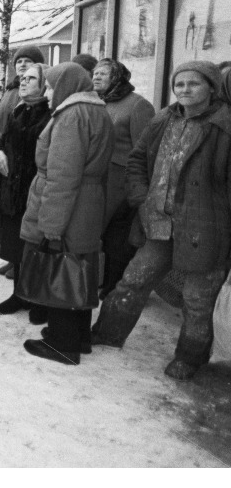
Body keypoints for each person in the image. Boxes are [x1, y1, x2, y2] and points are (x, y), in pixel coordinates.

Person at [92, 61, 231, 380]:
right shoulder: (164, 119)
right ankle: (107, 332)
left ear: (211, 87)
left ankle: (190, 357)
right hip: (159, 222)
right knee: (134, 279)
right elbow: (137, 158)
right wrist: (140, 197)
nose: (184, 90)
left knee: (197, 299)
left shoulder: (225, 125)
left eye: (193, 84)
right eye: (179, 84)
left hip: (206, 228)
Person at [19, 62, 114, 366]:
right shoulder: (95, 109)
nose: (46, 92)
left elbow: (63, 175)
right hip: (89, 201)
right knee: (81, 267)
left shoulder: (72, 115)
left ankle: (63, 343)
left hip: (71, 205)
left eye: (49, 86)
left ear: (64, 86)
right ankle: (79, 337)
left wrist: (51, 224)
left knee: (63, 268)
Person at [0, 63, 52, 320]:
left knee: (36, 246)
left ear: (44, 84)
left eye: (31, 79)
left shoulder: (50, 114)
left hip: (36, 190)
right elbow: (2, 139)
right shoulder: (19, 111)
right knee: (16, 244)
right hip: (13, 190)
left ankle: (38, 299)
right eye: (22, 78)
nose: (23, 82)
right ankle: (19, 293)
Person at [91, 59, 155, 297]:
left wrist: (139, 186)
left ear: (118, 76)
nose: (96, 77)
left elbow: (146, 150)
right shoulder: (98, 102)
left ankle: (115, 286)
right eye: (94, 73)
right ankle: (103, 281)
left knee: (118, 238)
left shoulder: (138, 105)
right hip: (100, 177)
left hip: (123, 181)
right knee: (101, 233)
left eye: (103, 73)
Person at [0, 46, 45, 139]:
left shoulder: (41, 91)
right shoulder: (10, 90)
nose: (22, 64)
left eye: (28, 61)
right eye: (19, 61)